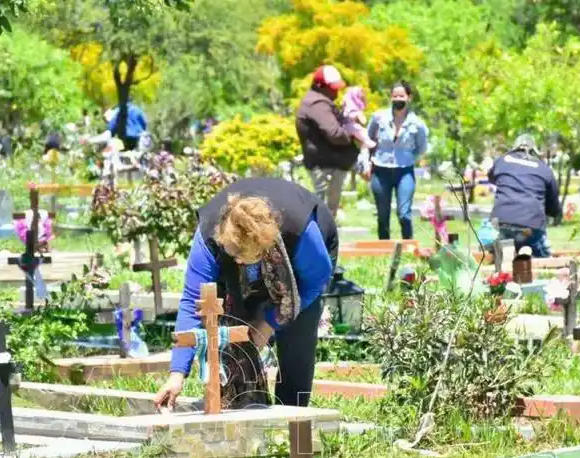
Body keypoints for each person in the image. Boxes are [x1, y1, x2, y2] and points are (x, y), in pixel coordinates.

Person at [154, 178, 338, 410]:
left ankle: (294, 420)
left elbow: (314, 281)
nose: (238, 259)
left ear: (265, 247)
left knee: (297, 337)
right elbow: (194, 302)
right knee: (235, 329)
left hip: (301, 269)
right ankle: (242, 405)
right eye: (234, 254)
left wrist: (269, 324)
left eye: (244, 255)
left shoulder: (300, 231)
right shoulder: (209, 237)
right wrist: (177, 373)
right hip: (242, 260)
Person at [365, 81, 428, 240]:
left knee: (404, 213)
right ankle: (384, 250)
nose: (398, 99)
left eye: (401, 96)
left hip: (404, 171)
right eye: (395, 96)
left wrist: (408, 157)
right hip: (380, 170)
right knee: (383, 215)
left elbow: (421, 148)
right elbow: (368, 140)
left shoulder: (417, 124)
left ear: (409, 97)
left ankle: (408, 247)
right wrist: (367, 161)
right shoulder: (379, 118)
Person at [296, 65, 359, 219]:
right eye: (333, 88)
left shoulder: (317, 101)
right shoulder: (317, 104)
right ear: (320, 86)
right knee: (324, 214)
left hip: (327, 163)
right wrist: (354, 136)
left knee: (326, 213)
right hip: (324, 166)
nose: (336, 92)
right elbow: (334, 133)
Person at [488, 134, 561, 258]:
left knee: (498, 255)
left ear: (515, 147)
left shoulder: (502, 160)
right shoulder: (544, 169)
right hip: (531, 227)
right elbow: (554, 207)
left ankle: (501, 258)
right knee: (543, 260)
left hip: (501, 223)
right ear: (534, 150)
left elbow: (492, 177)